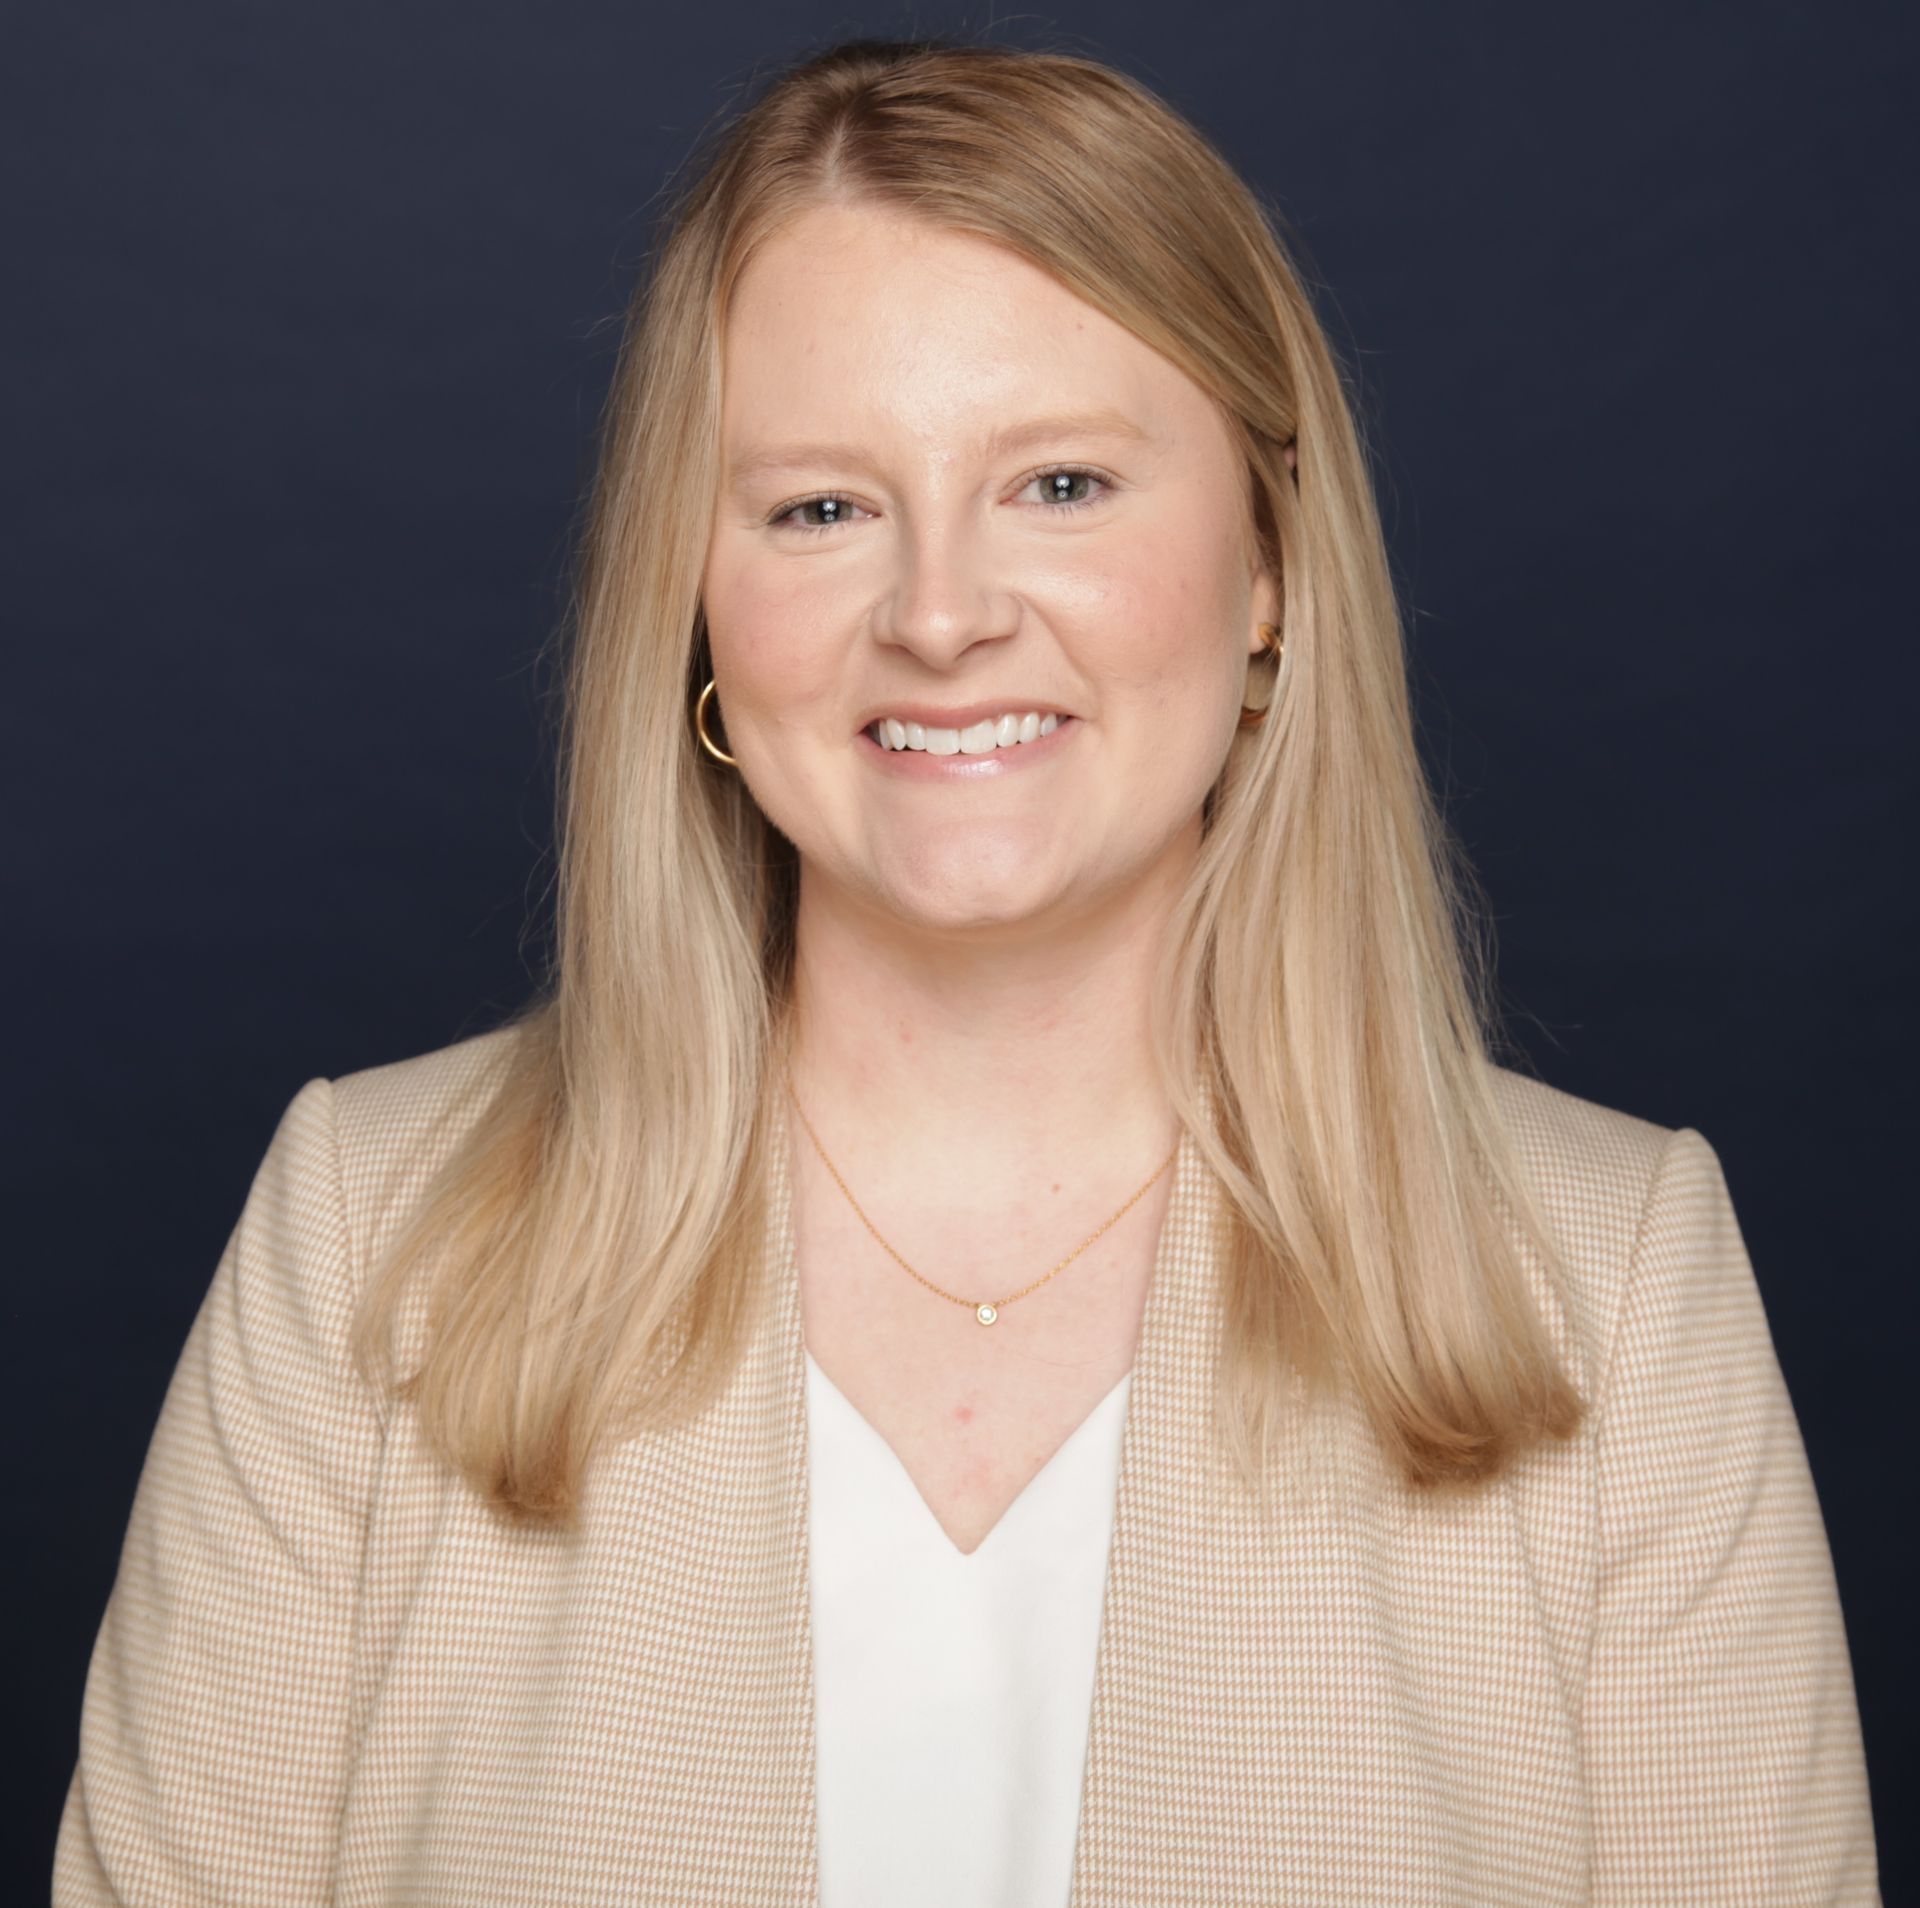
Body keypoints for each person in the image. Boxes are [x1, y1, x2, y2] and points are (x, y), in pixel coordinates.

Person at [53, 34, 1879, 1908]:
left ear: (1269, 569)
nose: (939, 615)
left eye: (1062, 483)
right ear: (694, 606)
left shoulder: (1612, 1287)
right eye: (820, 508)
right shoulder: (369, 1243)